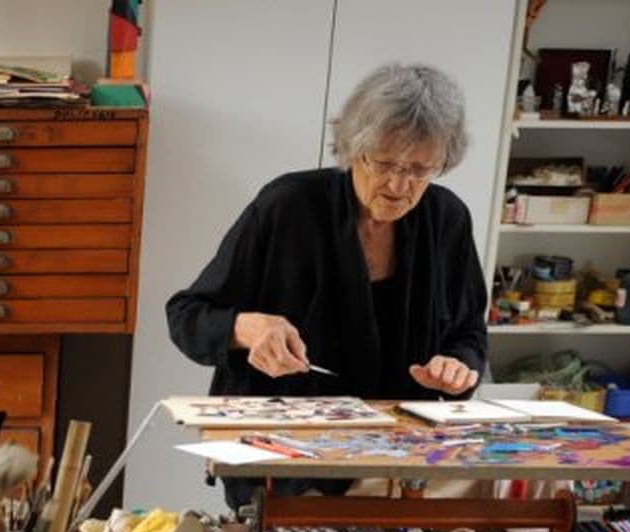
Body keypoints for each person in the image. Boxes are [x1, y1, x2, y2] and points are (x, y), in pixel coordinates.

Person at [167, 63, 488, 508]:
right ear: (355, 148)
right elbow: (187, 316)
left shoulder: (448, 219)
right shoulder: (287, 206)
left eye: (420, 170)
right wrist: (250, 329)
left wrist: (457, 366)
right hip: (283, 461)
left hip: (396, 462)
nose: (399, 185)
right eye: (386, 164)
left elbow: (469, 332)